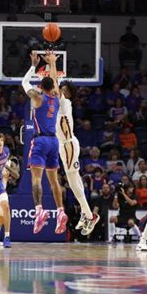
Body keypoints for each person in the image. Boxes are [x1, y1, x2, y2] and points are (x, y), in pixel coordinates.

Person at [21, 51, 67, 234]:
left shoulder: (37, 97)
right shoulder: (56, 98)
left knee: (36, 179)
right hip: (54, 142)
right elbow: (55, 81)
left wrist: (33, 65)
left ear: (40, 86)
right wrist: (53, 63)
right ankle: (60, 211)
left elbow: (24, 83)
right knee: (54, 181)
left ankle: (39, 210)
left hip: (40, 141)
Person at [54, 81, 100, 235]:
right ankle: (86, 213)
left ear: (68, 94)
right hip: (64, 146)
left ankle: (89, 215)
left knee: (73, 183)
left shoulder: (65, 102)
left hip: (68, 145)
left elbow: (54, 86)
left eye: (63, 89)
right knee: (75, 181)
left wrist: (52, 66)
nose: (60, 90)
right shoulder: (57, 105)